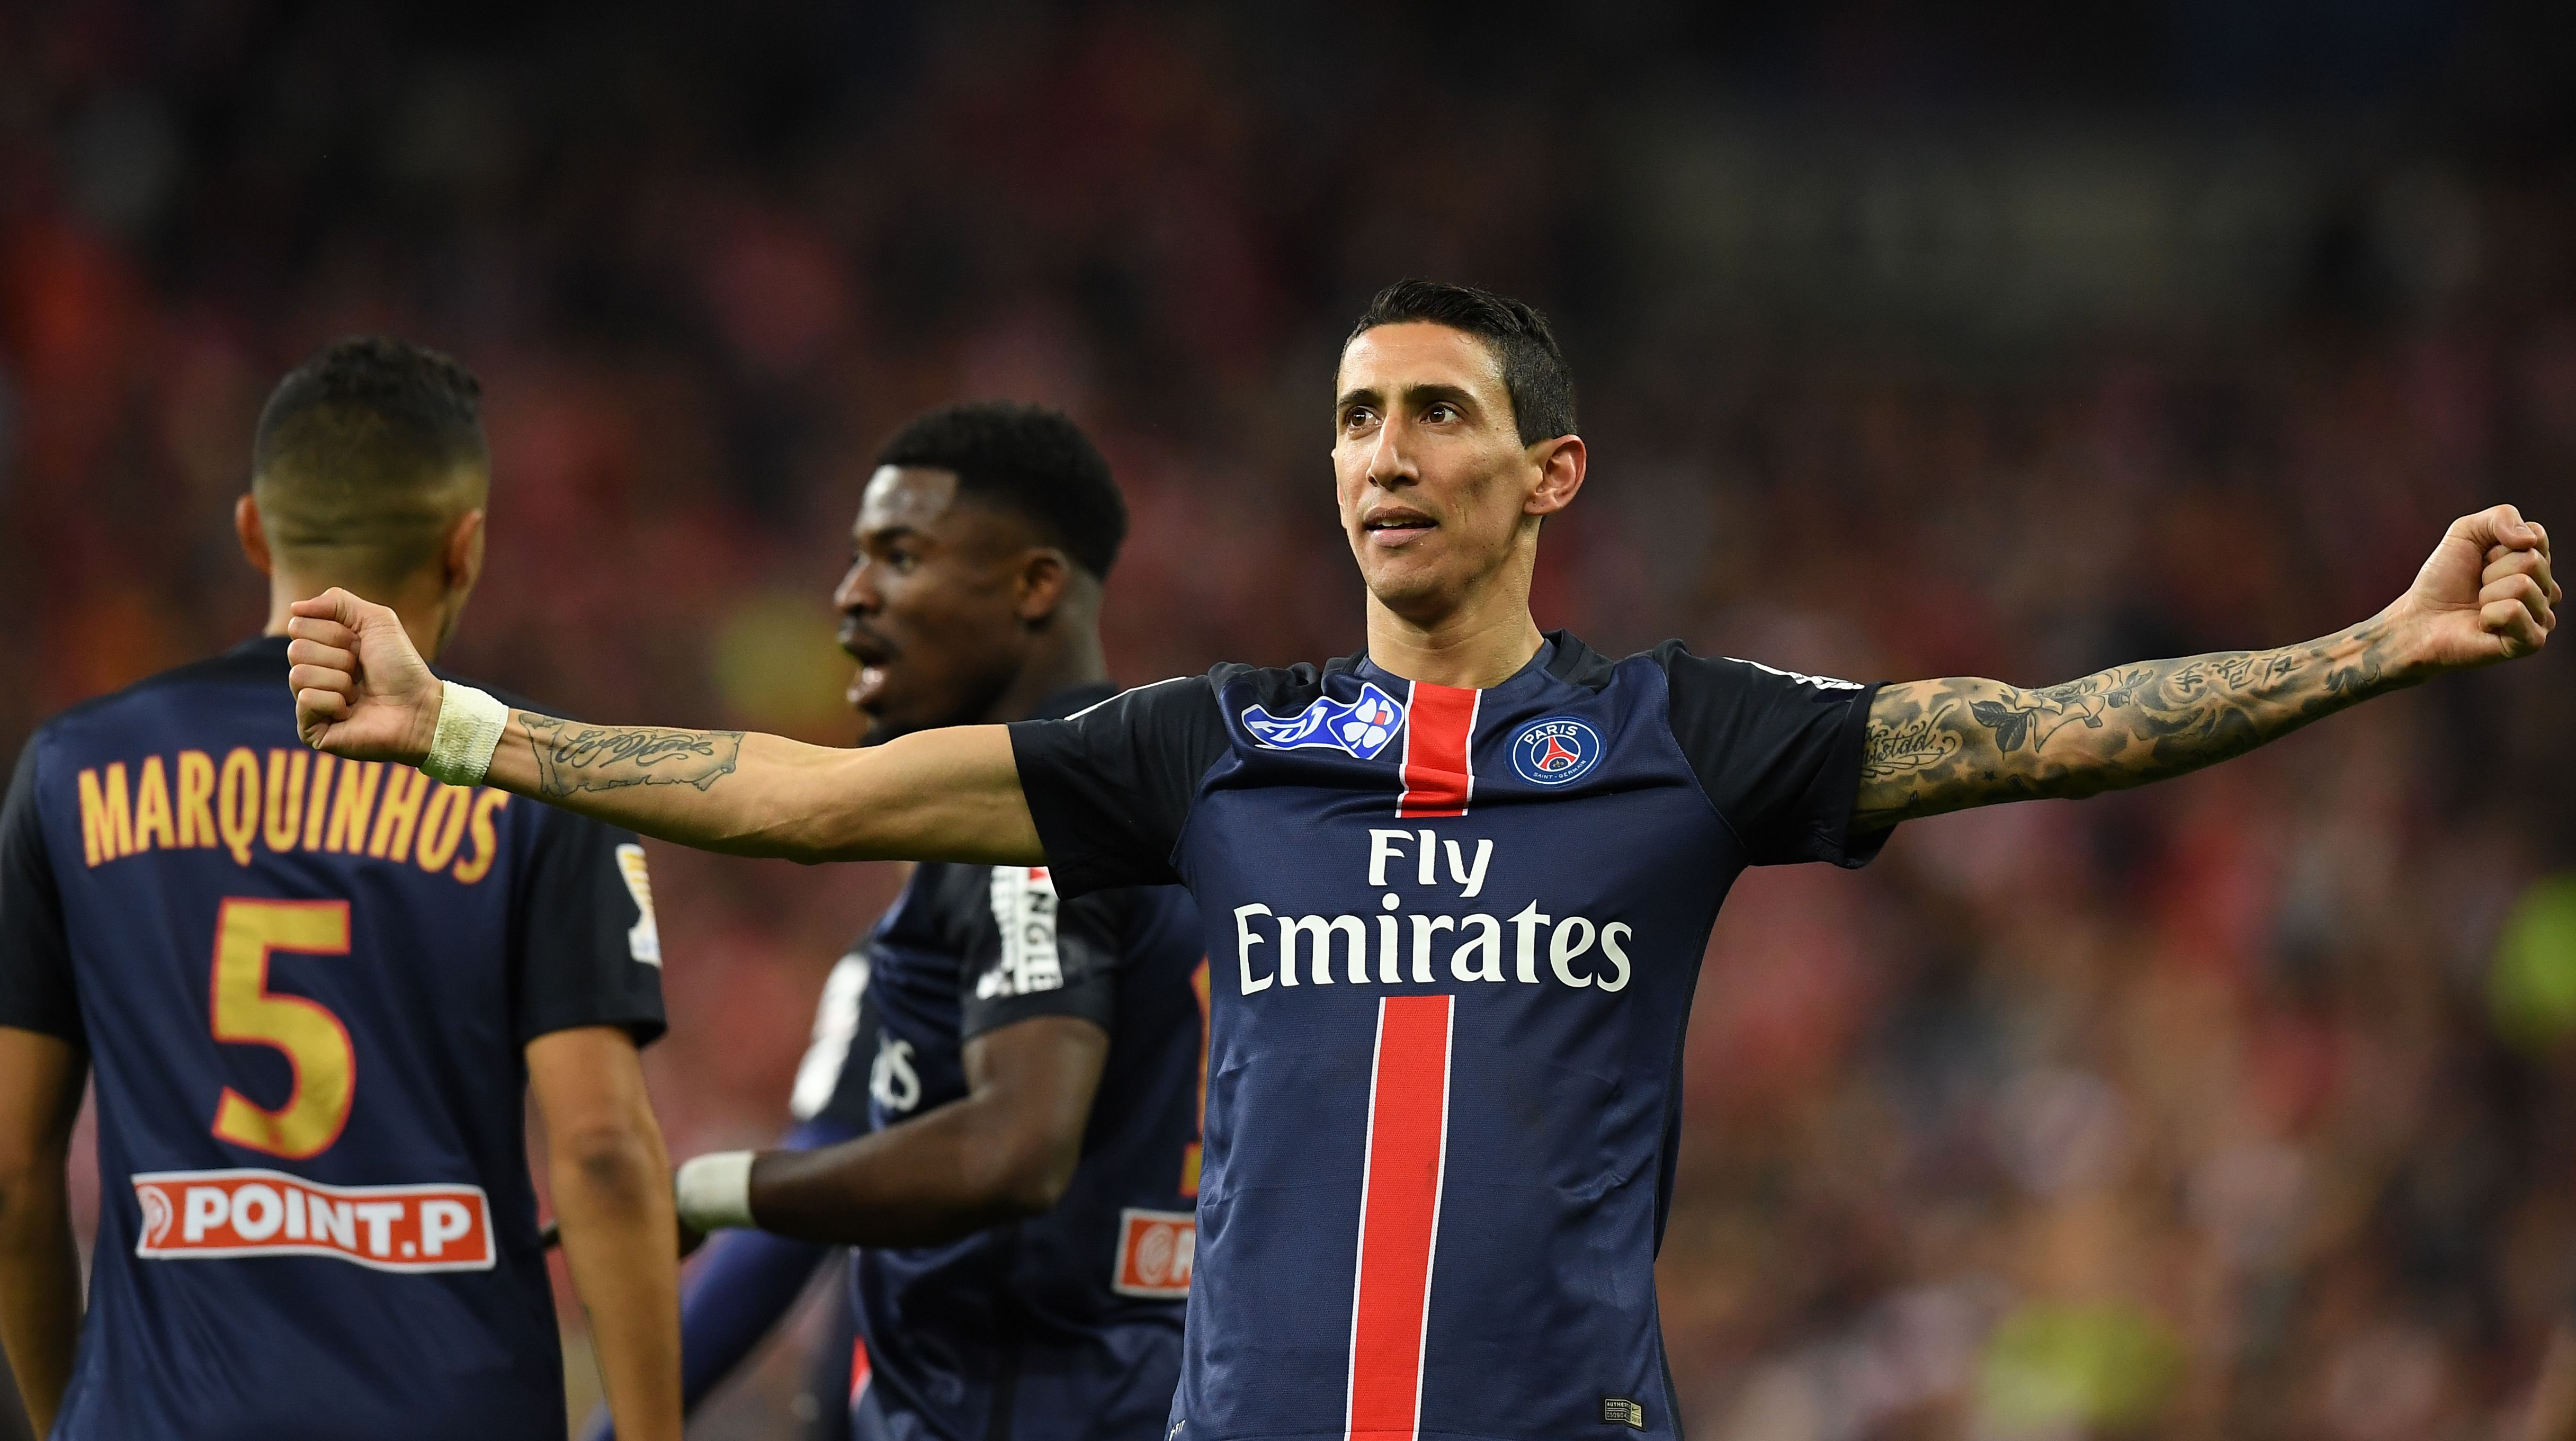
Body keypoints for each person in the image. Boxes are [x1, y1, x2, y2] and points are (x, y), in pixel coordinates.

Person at [284, 281, 2561, 1441]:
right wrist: (467, 724)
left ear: (1548, 468)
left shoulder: (1678, 737)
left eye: (1439, 410)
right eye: (1358, 413)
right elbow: (796, 793)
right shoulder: (1220, 745)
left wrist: (2373, 642)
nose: (1384, 450)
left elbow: (2041, 735)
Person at [0, 338, 682, 1441]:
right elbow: (601, 1149)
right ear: (467, 549)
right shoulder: (540, 784)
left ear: (254, 530)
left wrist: (71, 1418)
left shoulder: (71, 767)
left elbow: (10, 1173)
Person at [581, 403, 1205, 1441]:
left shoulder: (1036, 830)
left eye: (899, 557)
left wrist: (718, 1186)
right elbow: (842, 1166)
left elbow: (1015, 1146)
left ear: (1034, 584)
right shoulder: (1162, 821)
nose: (851, 596)